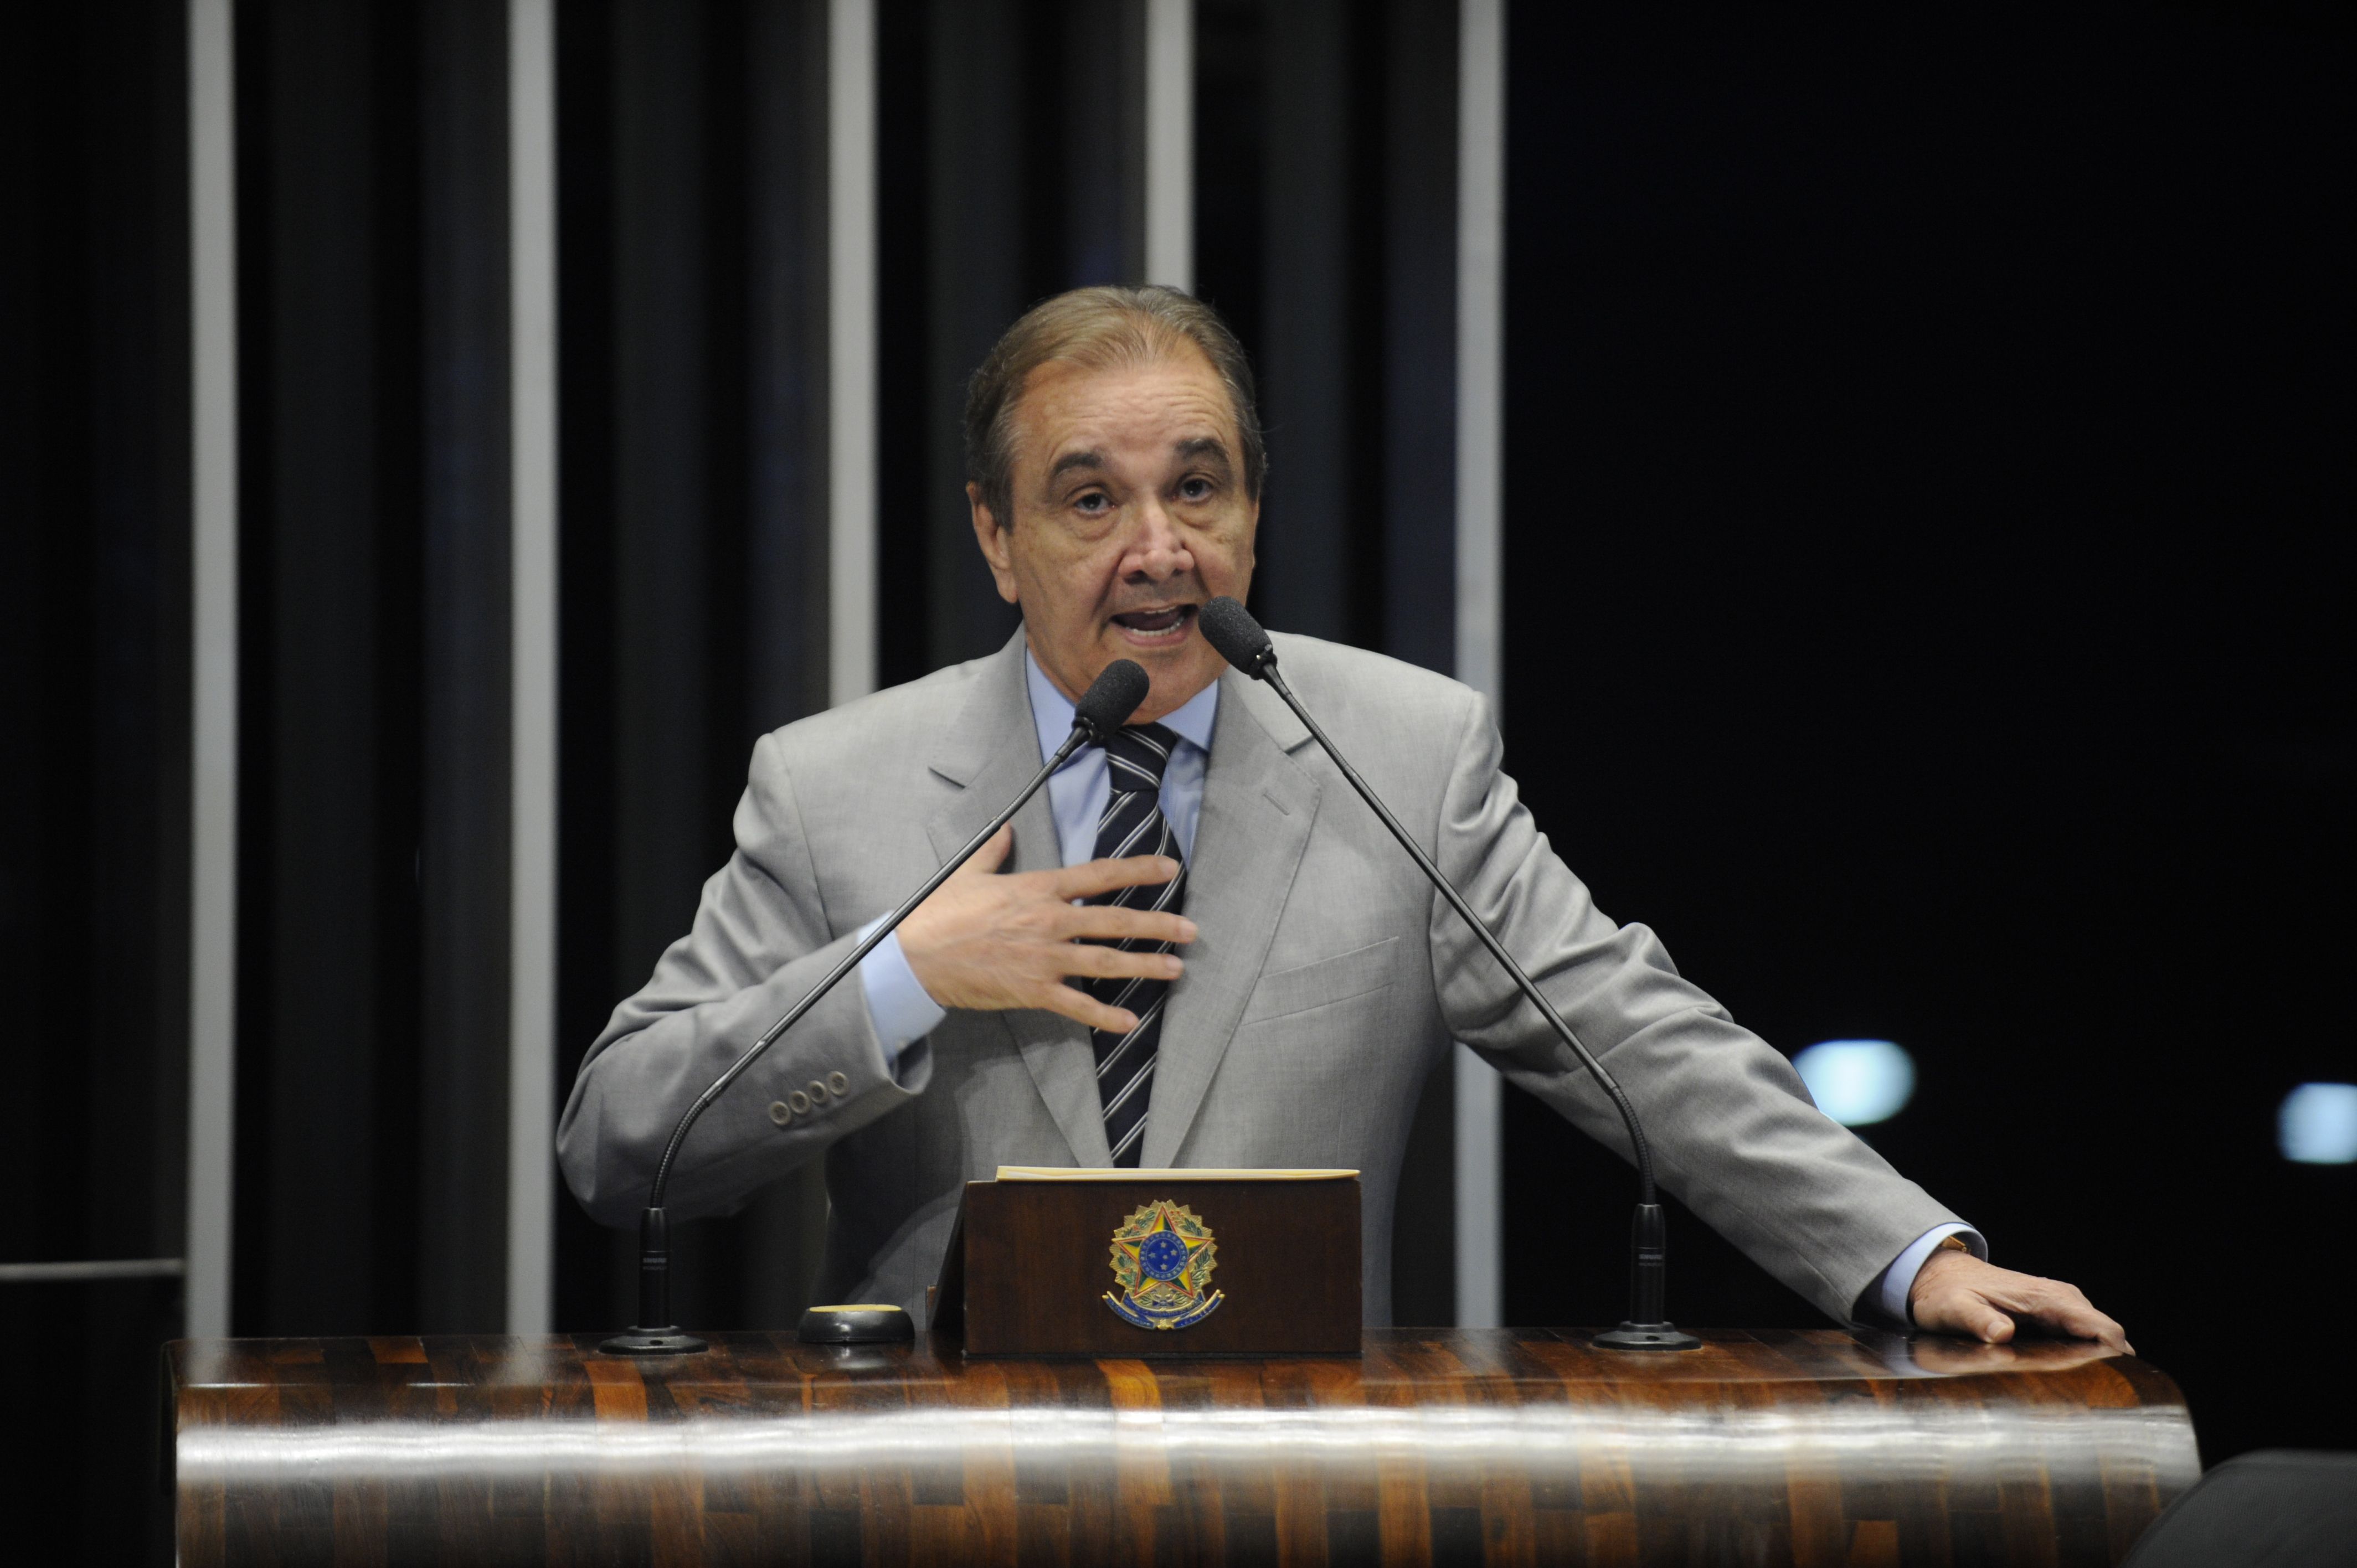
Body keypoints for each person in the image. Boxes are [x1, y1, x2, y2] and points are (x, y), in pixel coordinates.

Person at [558, 285, 2128, 1350]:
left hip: (1300, 1479)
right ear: (996, 536)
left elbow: (1633, 1033)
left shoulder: (1400, 751)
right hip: (942, 1493)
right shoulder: (836, 784)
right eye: (1092, 500)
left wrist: (1911, 1255)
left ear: (1254, 509)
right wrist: (903, 973)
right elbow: (620, 1143)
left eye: (1200, 488)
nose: (1160, 548)